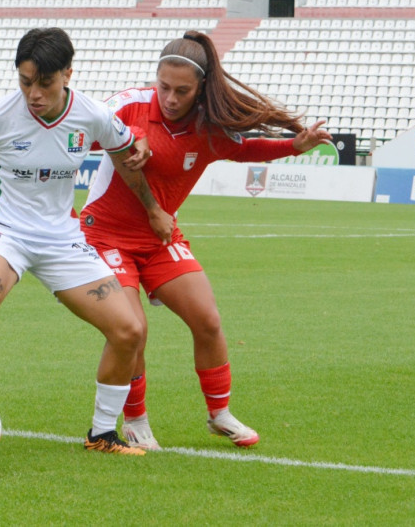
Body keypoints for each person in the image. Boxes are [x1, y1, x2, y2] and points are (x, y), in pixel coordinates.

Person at [0, 27, 173, 456]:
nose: (33, 94)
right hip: (4, 232)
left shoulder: (91, 114)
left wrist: (153, 209)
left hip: (62, 240)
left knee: (129, 330)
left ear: (68, 73)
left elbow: (128, 162)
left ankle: (102, 435)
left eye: (45, 83)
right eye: (25, 82)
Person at [79, 31, 332, 449]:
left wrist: (294, 145)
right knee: (133, 330)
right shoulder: (128, 105)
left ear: (200, 89)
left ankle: (219, 414)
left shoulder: (206, 126)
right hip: (105, 236)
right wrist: (127, 135)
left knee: (208, 320)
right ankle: (136, 419)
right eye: (164, 86)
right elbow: (80, 131)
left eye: (182, 91)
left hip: (160, 237)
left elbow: (244, 149)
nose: (170, 98)